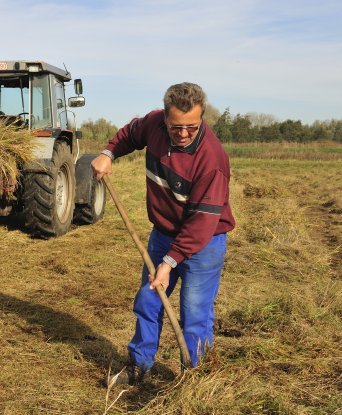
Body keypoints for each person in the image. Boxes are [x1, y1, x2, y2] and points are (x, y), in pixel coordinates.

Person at [91, 82, 235, 387]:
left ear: (202, 118)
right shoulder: (154, 123)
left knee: (194, 312)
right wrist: (108, 152)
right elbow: (130, 134)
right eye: (176, 127)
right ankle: (139, 365)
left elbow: (200, 224)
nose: (183, 133)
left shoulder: (212, 159)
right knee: (149, 299)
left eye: (191, 127)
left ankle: (193, 377)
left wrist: (169, 263)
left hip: (203, 243)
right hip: (163, 233)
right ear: (165, 118)